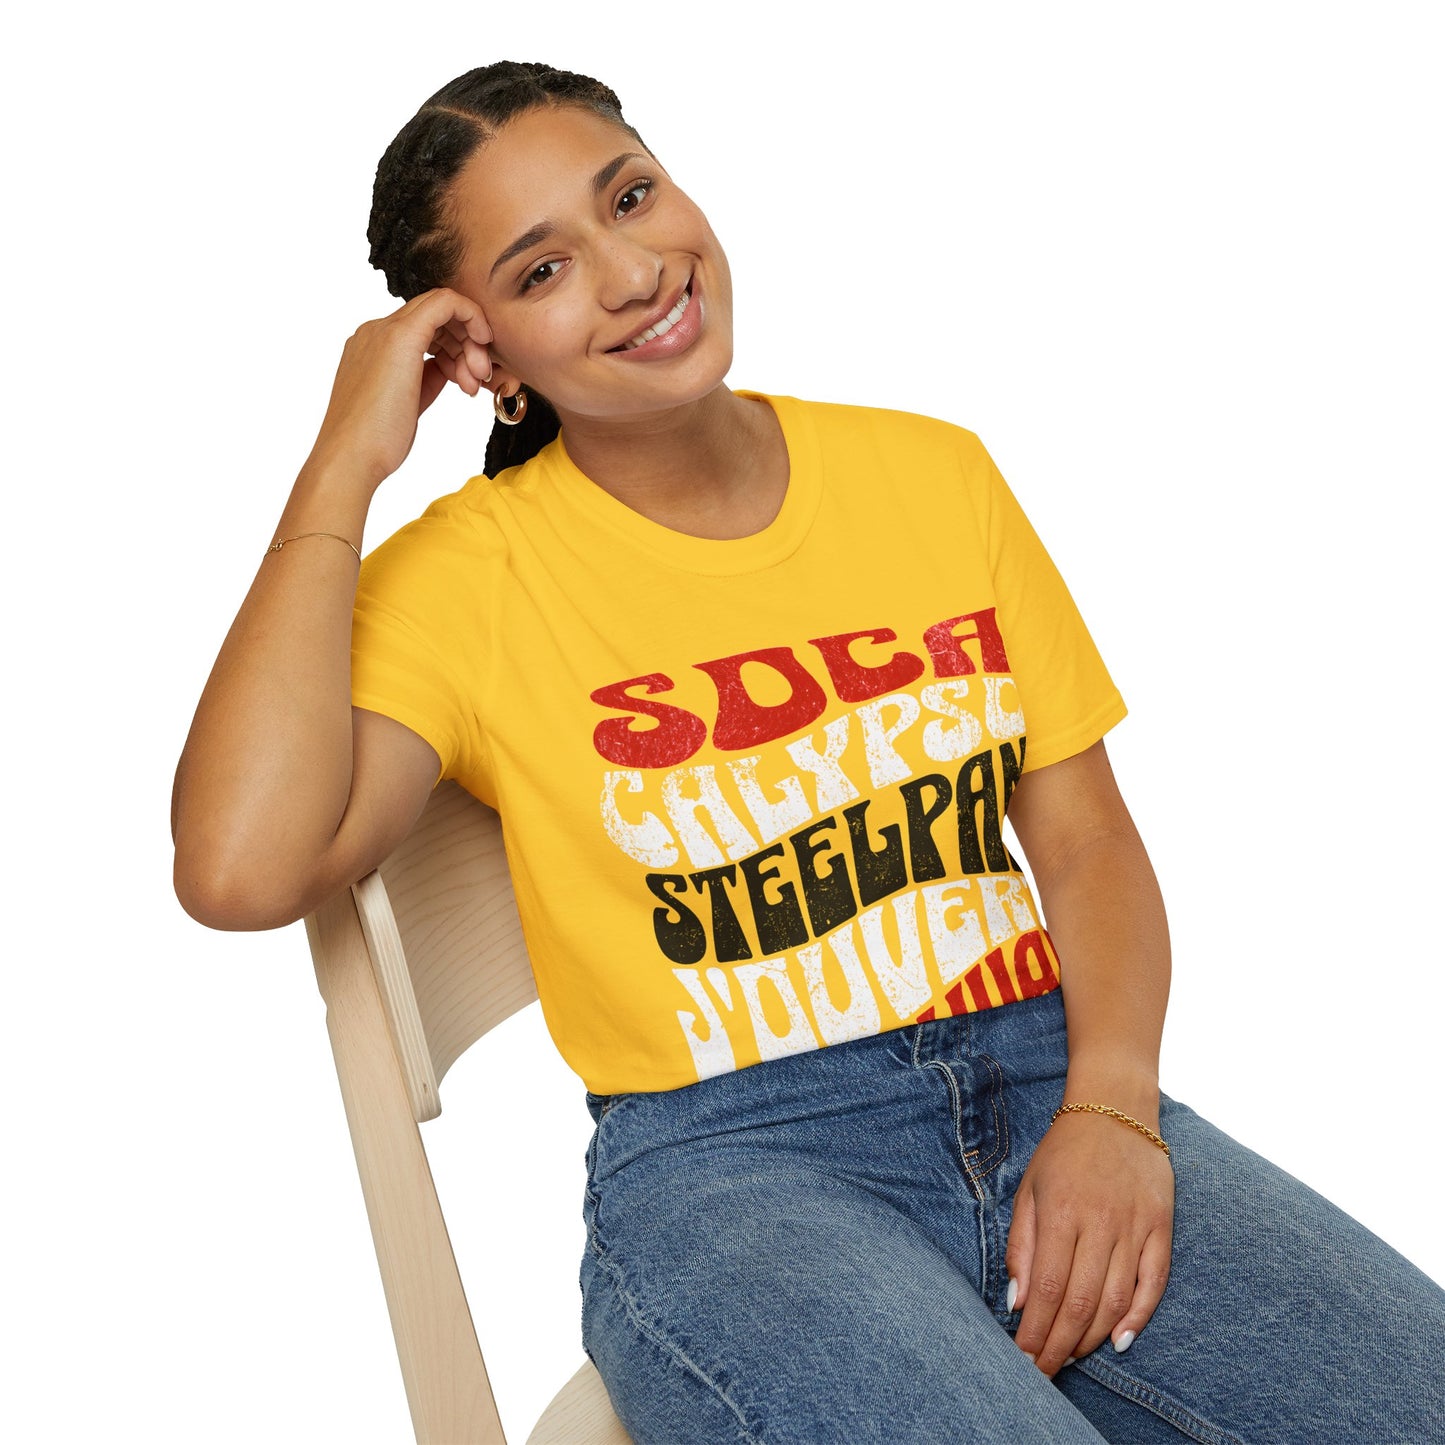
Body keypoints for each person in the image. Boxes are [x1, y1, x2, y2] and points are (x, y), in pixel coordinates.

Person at [172, 60, 1445, 1444]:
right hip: (738, 1171)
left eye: (630, 197)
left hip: (1049, 1081)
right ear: (485, 358)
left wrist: (1114, 1109)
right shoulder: (469, 579)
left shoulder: (933, 474)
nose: (633, 273)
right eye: (543, 270)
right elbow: (239, 869)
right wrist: (342, 462)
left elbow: (1085, 844)